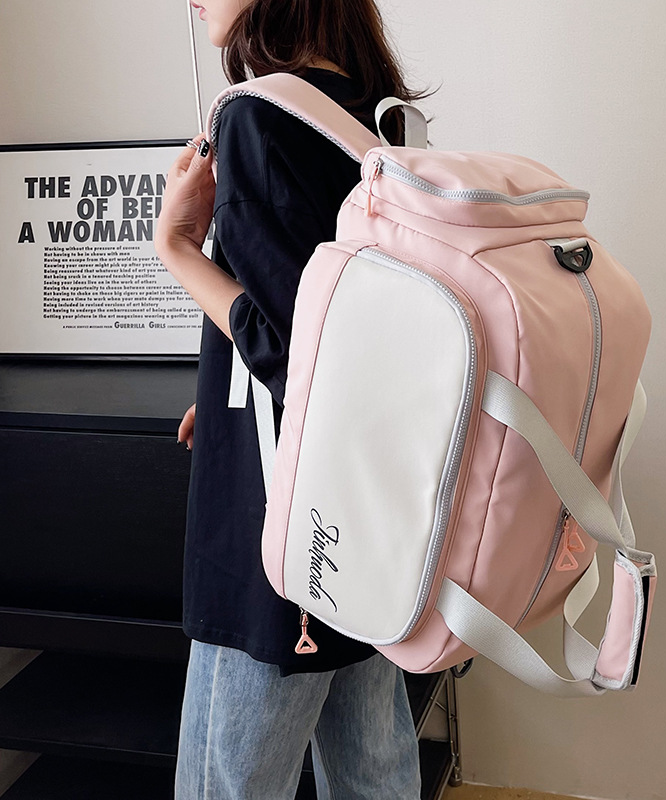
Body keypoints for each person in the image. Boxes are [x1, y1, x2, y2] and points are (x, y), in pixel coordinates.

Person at [154, 1, 424, 797]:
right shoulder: (376, 119)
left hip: (283, 526)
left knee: (226, 783)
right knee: (374, 773)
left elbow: (294, 350)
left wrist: (176, 247)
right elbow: (348, 325)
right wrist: (228, 397)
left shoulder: (255, 116)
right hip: (366, 512)